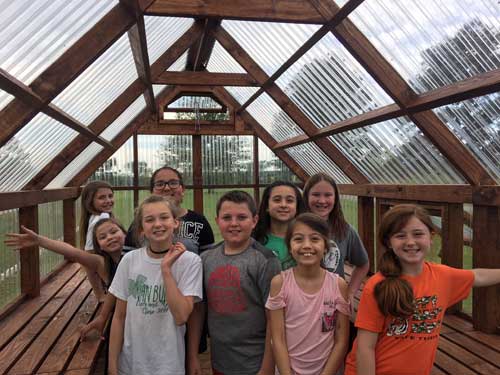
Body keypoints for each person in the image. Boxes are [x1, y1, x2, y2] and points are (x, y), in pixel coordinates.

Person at [345, 204, 500, 375]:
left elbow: (477, 276)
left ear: (431, 237)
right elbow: (365, 348)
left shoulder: (442, 276)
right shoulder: (377, 285)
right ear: (389, 242)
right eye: (400, 235)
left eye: (418, 234)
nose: (410, 242)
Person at [188, 190, 281, 375]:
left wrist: (267, 367)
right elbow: (198, 310)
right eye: (227, 217)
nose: (234, 224)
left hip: (256, 362)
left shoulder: (266, 261)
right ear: (217, 221)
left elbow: (274, 318)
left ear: (254, 221)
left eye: (242, 217)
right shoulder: (206, 259)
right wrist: (192, 356)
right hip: (220, 361)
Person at [108, 195, 202, 375]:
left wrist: (166, 270)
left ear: (175, 223)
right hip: (130, 364)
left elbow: (182, 316)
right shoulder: (129, 260)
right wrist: (112, 365)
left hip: (169, 365)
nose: (158, 224)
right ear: (142, 229)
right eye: (150, 220)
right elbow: (119, 317)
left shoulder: (190, 262)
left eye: (164, 217)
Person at [5, 218, 127, 341]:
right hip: (123, 318)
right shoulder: (101, 263)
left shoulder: (138, 254)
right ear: (99, 246)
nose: (110, 237)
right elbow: (72, 252)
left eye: (114, 232)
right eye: (103, 237)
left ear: (124, 233)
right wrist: (38, 240)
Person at [267, 213, 350, 375]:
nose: (306, 245)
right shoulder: (279, 283)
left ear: (326, 246)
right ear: (290, 247)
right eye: (298, 239)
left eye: (315, 239)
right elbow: (277, 338)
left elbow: (341, 339)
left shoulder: (338, 285)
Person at [303, 173, 369, 304]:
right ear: (306, 197)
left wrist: (349, 292)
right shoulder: (295, 228)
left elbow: (363, 264)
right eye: (316, 195)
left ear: (336, 198)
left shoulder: (345, 230)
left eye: (328, 195)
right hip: (301, 301)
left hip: (333, 302)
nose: (322, 201)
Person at [125, 166, 214, 253]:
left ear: (182, 190)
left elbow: (208, 261)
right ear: (151, 192)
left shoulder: (199, 221)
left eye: (173, 183)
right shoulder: (140, 224)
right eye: (160, 184)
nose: (167, 188)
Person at [253, 181, 305, 270]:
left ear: (297, 206)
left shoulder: (307, 239)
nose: (283, 205)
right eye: (277, 200)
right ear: (267, 206)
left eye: (289, 200)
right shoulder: (254, 240)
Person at [80, 181, 115, 301]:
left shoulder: (101, 216)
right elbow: (88, 257)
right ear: (90, 202)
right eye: (102, 197)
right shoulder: (100, 219)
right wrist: (99, 294)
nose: (108, 200)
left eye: (110, 196)